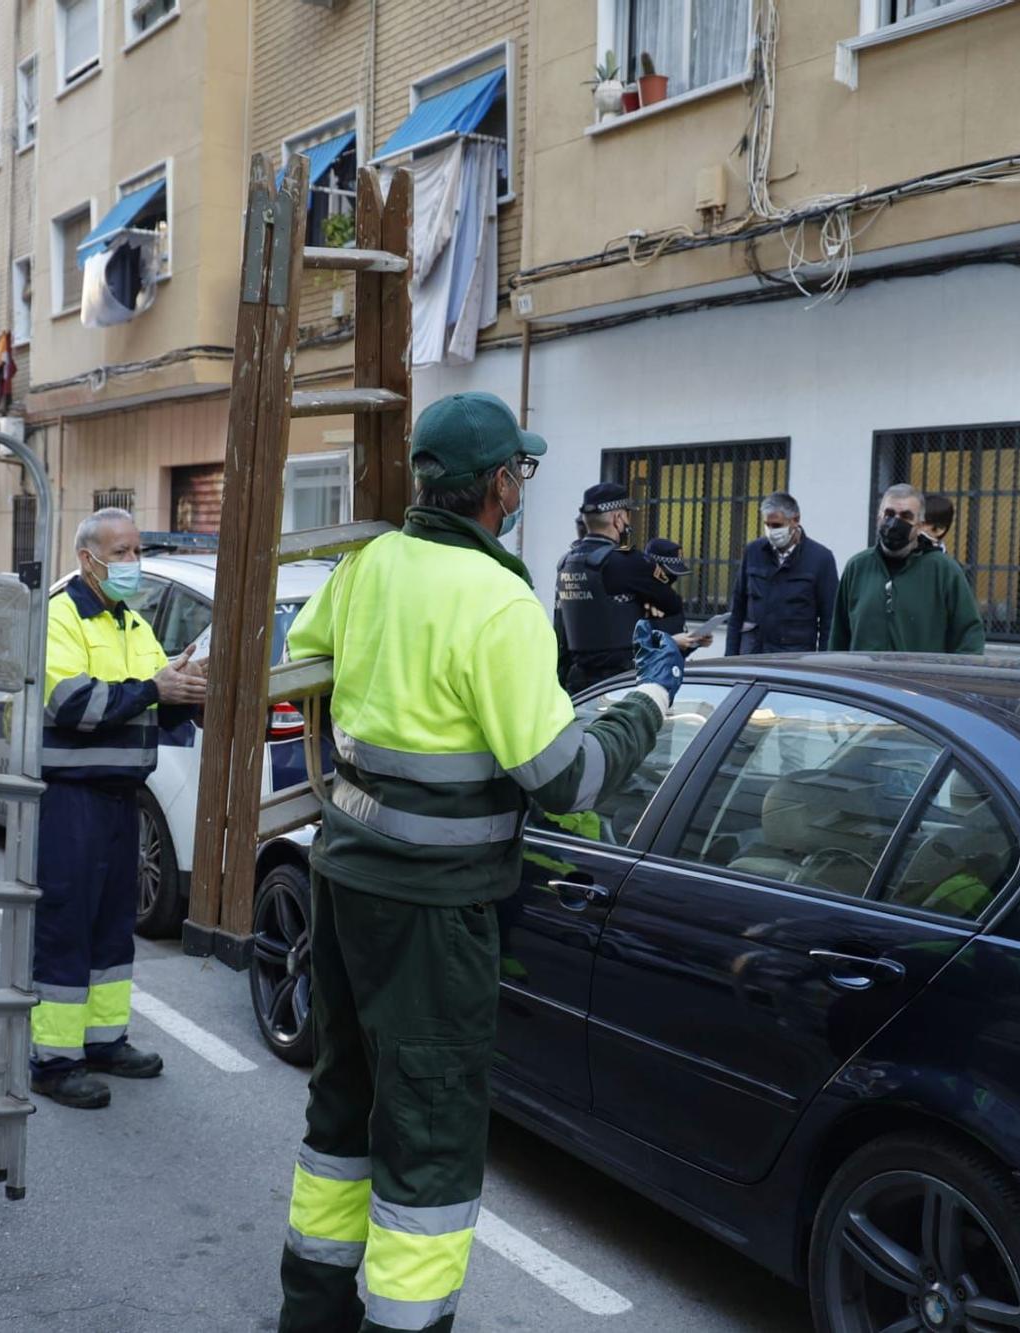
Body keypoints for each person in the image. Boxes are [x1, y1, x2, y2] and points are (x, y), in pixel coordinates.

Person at [275, 391, 675, 1333]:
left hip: (346, 877)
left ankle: (311, 1314)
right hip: (434, 910)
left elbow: (306, 657)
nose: (522, 487)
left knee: (342, 1111)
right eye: (520, 473)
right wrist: (646, 703)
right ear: (499, 484)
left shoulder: (369, 564)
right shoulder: (498, 596)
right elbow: (562, 775)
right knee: (431, 1139)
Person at [30, 507, 208, 1109]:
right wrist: (156, 690)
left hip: (122, 798)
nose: (134, 563)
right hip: (72, 800)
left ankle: (104, 1041)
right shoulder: (60, 616)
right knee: (66, 925)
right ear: (89, 558)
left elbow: (148, 705)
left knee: (113, 926)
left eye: (138, 551)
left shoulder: (131, 622)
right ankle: (54, 1060)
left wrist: (184, 690)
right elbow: (73, 705)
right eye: (123, 552)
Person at [554, 481, 682, 691]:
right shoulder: (628, 561)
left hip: (576, 682)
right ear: (618, 518)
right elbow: (672, 604)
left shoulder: (566, 563)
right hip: (621, 681)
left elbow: (560, 628)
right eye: (627, 514)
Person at [830, 484, 985, 653]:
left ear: (920, 525)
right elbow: (839, 637)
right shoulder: (857, 568)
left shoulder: (944, 571)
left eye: (906, 516)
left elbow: (969, 637)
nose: (895, 522)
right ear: (878, 518)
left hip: (916, 678)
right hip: (865, 678)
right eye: (889, 514)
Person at [727, 492, 837, 655]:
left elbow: (830, 620)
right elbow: (737, 609)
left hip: (793, 660)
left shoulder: (821, 559)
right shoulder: (753, 552)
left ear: (796, 520)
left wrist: (824, 663)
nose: (771, 531)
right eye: (767, 525)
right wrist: (730, 657)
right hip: (752, 654)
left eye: (777, 525)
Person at [641, 537, 712, 653]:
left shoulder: (672, 600)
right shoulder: (634, 598)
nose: (672, 578)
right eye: (668, 572)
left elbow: (679, 646)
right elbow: (633, 647)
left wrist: (694, 642)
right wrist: (671, 641)